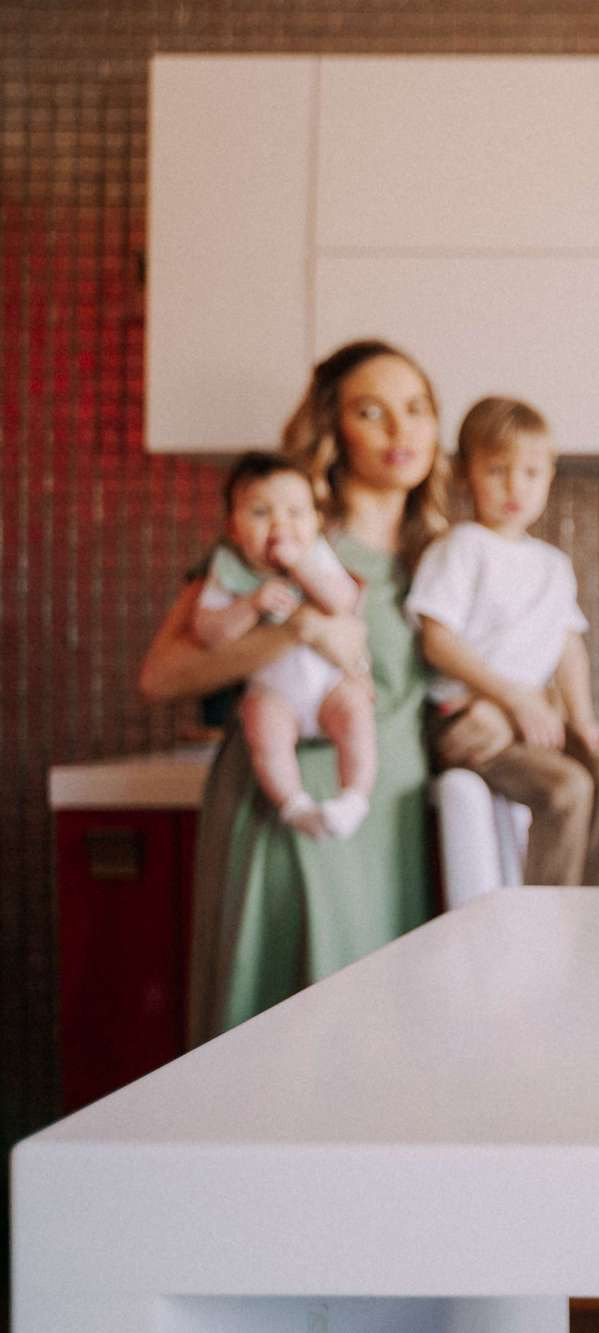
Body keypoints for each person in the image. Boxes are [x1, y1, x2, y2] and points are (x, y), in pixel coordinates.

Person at [139, 339, 448, 1040]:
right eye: (372, 411)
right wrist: (300, 627)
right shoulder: (277, 536)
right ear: (332, 430)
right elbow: (162, 674)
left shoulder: (435, 556)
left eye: (417, 409)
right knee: (283, 1047)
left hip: (389, 820)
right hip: (288, 815)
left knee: (379, 1049)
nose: (401, 431)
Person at [407, 396, 599, 886]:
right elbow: (437, 643)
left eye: (530, 473)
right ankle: (549, 919)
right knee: (566, 788)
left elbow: (568, 647)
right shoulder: (460, 548)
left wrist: (583, 721)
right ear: (466, 474)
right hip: (468, 721)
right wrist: (514, 698)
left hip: (531, 718)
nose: (515, 486)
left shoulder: (553, 565)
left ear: (549, 477)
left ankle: (592, 905)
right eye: (498, 471)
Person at [192, 452, 374, 840]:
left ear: (316, 520)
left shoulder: (317, 556)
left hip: (329, 686)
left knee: (357, 714)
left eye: (296, 512)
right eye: (260, 512)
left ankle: (355, 797)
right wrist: (250, 605)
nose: (280, 524)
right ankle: (294, 806)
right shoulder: (231, 570)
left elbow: (344, 601)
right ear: (233, 528)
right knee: (261, 726)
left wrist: (299, 566)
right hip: (275, 692)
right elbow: (208, 632)